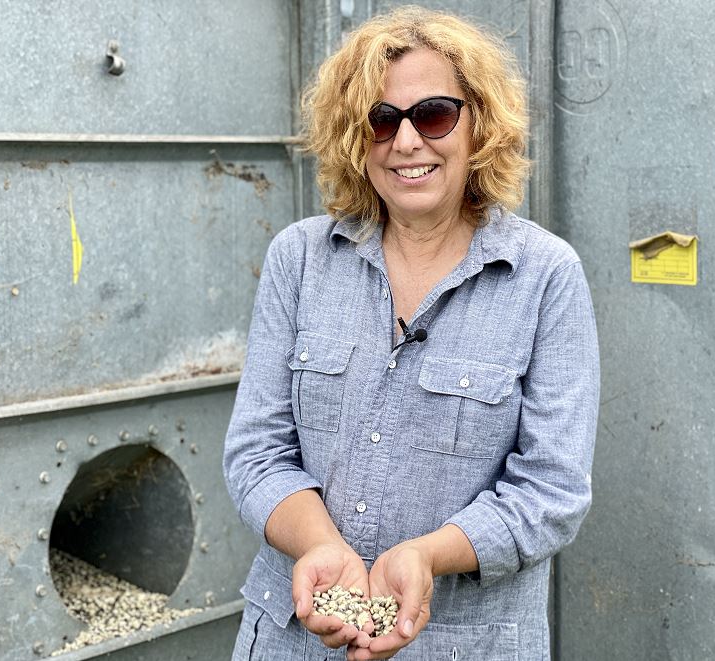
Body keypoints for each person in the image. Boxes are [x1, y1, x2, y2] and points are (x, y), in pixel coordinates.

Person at [223, 6, 599, 660]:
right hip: (294, 639)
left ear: (480, 123)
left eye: (433, 115)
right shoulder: (300, 258)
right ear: (352, 134)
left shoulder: (544, 276)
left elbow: (552, 491)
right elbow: (257, 449)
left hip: (468, 643)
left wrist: (426, 555)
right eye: (380, 120)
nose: (406, 142)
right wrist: (321, 545)